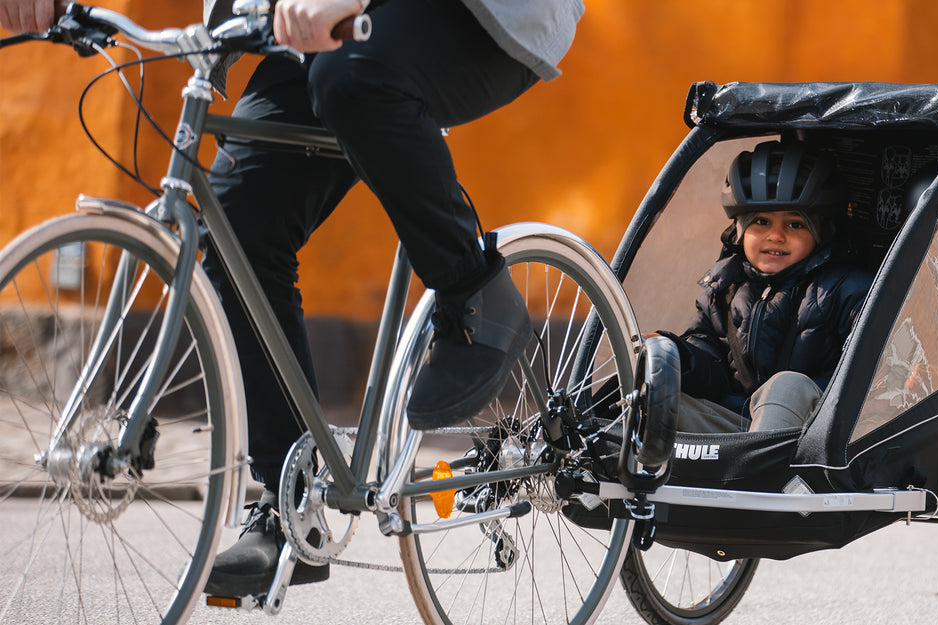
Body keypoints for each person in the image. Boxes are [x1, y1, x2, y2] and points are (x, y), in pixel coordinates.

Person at [3, 0, 584, 596]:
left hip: (470, 15)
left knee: (354, 76)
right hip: (307, 19)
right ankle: (288, 509)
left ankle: (474, 293)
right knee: (235, 225)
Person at [657, 140, 873, 434]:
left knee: (787, 385)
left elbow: (870, 376)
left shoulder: (849, 290)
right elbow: (711, 369)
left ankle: (757, 475)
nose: (775, 236)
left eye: (795, 224)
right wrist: (675, 354)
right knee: (655, 393)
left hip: (812, 437)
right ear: (740, 230)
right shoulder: (723, 289)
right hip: (739, 431)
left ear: (821, 232)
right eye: (761, 221)